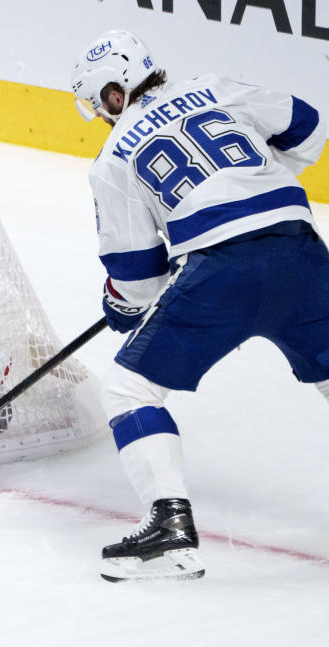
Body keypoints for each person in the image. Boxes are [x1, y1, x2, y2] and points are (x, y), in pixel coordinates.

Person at [71, 29, 329, 581]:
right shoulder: (215, 88)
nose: (101, 117)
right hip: (300, 250)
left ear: (114, 95)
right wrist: (252, 187)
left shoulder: (112, 159)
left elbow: (139, 278)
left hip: (223, 274)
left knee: (127, 389)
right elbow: (307, 125)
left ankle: (169, 529)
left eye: (99, 106)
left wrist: (119, 302)